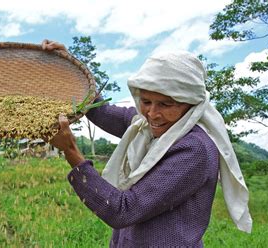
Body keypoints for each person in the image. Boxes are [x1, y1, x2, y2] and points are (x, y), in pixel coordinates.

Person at [42, 39, 252, 247]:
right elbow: (99, 110)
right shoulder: (143, 126)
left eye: (165, 104)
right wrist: (69, 67)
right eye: (146, 101)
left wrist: (70, 151)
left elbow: (123, 210)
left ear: (191, 104)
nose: (152, 114)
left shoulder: (194, 150)